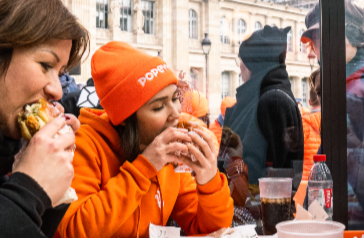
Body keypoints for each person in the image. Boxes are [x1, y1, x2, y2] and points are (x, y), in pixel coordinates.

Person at [57, 41, 233, 238]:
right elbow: (73, 231)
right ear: (125, 119)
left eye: (175, 99)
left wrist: (208, 180)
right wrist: (144, 167)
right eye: (158, 107)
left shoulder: (169, 152)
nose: (176, 113)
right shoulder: (85, 145)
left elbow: (214, 231)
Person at [0, 0, 89, 238]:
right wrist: (28, 189)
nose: (57, 90)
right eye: (46, 65)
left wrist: (49, 190)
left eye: (59, 73)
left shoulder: (3, 151)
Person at [301, 0, 364, 229]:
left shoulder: (354, 93)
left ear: (352, 35)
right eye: (314, 41)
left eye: (321, 37)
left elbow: (361, 184)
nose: (315, 50)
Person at [224, 25, 303, 185]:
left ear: (252, 64)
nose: (239, 67)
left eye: (241, 59)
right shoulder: (268, 97)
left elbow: (261, 171)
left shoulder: (271, 101)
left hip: (260, 207)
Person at [293, 68, 322, 207]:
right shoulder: (334, 122)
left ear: (309, 101)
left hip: (303, 187)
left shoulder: (302, 124)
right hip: (323, 186)